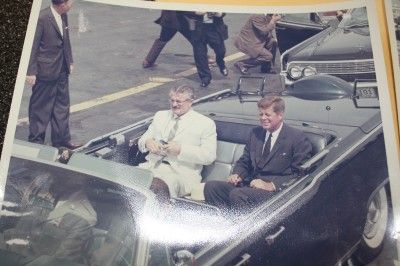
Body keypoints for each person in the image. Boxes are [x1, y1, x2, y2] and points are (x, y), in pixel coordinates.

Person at [204, 96, 312, 212]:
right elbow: (245, 160)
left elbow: (301, 173)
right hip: (250, 186)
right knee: (211, 187)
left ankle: (243, 228)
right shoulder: (255, 133)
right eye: (261, 114)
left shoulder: (297, 138)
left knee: (238, 194)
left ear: (280, 115)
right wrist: (237, 174)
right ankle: (226, 221)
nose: (263, 118)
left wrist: (271, 185)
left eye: (267, 115)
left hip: (276, 193)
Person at [138, 85, 217, 197]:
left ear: (190, 102)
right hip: (150, 167)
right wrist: (148, 142)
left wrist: (181, 150)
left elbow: (209, 156)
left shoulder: (205, 124)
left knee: (158, 186)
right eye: (172, 100)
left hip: (181, 175)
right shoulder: (160, 116)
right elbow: (143, 140)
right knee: (124, 180)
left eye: (179, 101)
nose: (174, 105)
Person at [0, 175, 97, 265]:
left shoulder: (84, 214)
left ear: (80, 179)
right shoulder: (37, 192)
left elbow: (60, 261)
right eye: (58, 170)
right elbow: (14, 229)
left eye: (64, 173)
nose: (57, 175)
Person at [26, 0, 81, 149]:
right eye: (70, 1)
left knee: (62, 106)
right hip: (45, 70)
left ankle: (61, 139)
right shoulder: (42, 18)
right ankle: (36, 142)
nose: (73, 3)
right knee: (40, 108)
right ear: (62, 4)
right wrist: (31, 71)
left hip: (61, 68)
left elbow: (66, 40)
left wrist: (69, 60)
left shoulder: (63, 15)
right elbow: (32, 46)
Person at [187, 12, 229, 87]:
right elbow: (187, 12)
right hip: (198, 29)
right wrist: (197, 12)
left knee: (221, 51)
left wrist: (219, 13)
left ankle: (221, 64)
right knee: (199, 55)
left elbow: (224, 11)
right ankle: (205, 77)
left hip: (214, 29)